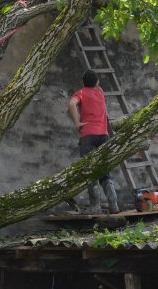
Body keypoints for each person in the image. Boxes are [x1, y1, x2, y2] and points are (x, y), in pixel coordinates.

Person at [67, 69, 120, 214]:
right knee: (104, 170)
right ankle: (113, 205)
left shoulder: (81, 93)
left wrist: (77, 123)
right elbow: (97, 85)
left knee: (90, 171)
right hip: (103, 135)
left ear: (82, 82)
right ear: (97, 82)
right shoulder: (100, 92)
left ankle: (95, 206)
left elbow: (72, 104)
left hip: (88, 136)